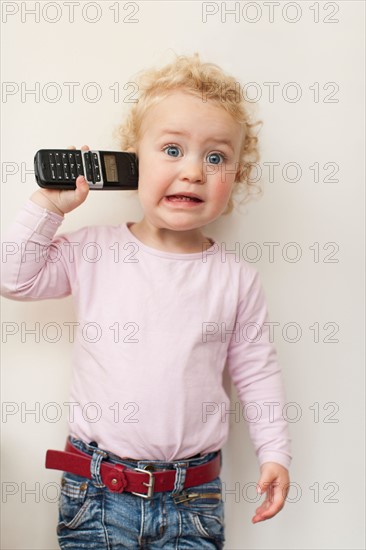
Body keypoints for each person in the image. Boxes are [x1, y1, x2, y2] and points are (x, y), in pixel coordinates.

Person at [1, 53, 292, 549]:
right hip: (96, 492)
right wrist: (48, 206)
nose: (194, 172)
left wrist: (275, 454)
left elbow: (257, 373)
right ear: (134, 161)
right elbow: (15, 279)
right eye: (173, 149)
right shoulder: (92, 249)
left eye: (216, 157)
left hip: (193, 499)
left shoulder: (236, 279)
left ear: (237, 177)